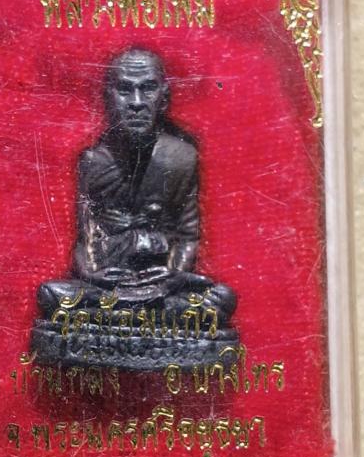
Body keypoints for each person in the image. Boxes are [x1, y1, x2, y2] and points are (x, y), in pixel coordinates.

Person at [33, 47, 238, 370]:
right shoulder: (93, 161)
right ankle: (144, 322)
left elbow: (187, 234)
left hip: (162, 287)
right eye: (125, 90)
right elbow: (86, 236)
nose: (137, 102)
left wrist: (174, 277)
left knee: (221, 299)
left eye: (148, 89)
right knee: (51, 294)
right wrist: (93, 274)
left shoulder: (182, 158)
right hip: (109, 289)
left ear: (164, 98)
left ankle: (122, 324)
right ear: (108, 98)